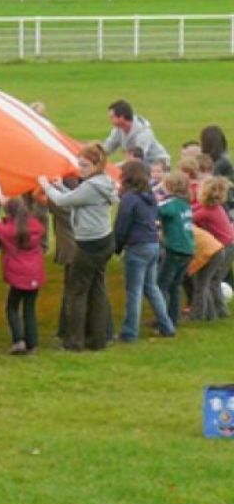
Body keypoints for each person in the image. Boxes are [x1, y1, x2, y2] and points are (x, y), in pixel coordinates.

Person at [39, 143, 117, 351]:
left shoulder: (92, 186)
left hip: (89, 244)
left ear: (96, 165)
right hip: (104, 240)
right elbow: (78, 198)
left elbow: (65, 202)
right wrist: (60, 186)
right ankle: (98, 338)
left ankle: (74, 341)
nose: (80, 169)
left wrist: (46, 186)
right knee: (98, 288)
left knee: (77, 292)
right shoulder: (102, 182)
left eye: (84, 165)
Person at [113, 161, 175, 341]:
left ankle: (129, 332)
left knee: (134, 291)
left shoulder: (129, 199)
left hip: (137, 246)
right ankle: (167, 326)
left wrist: (117, 246)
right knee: (151, 287)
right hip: (153, 244)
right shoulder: (150, 196)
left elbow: (122, 225)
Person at [0, 198, 45, 355]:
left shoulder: (9, 232)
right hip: (35, 274)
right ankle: (33, 343)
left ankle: (19, 340)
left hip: (18, 276)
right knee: (29, 309)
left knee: (12, 307)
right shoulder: (35, 226)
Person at [156, 172, 195, 326]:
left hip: (174, 249)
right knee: (175, 286)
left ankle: (163, 321)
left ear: (169, 186)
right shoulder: (185, 203)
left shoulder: (170, 203)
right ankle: (173, 318)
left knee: (161, 285)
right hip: (187, 250)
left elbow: (155, 210)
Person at [193, 177, 234, 319]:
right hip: (226, 246)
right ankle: (215, 312)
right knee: (212, 281)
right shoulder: (214, 207)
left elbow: (190, 218)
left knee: (212, 281)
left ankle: (217, 312)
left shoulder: (207, 211)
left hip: (224, 247)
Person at [46, 176, 79, 339]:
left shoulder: (65, 206)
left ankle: (68, 331)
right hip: (76, 252)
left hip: (72, 253)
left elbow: (51, 201)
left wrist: (47, 185)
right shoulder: (77, 204)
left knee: (72, 293)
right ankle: (64, 329)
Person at [103, 100, 170, 167]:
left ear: (121, 117)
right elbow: (107, 148)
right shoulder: (118, 130)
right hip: (139, 163)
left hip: (157, 165)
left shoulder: (144, 133)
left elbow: (136, 159)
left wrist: (114, 167)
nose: (110, 120)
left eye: (112, 117)